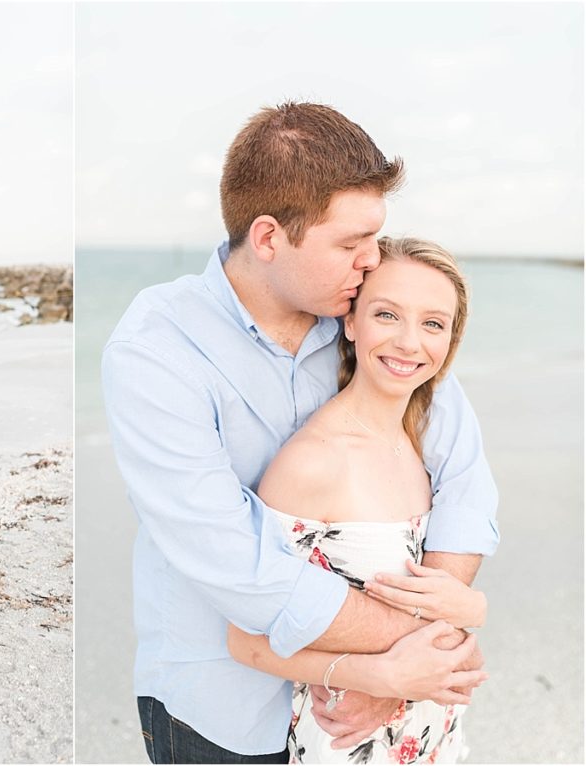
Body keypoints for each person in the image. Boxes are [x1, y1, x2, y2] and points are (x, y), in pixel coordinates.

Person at [101, 102, 499, 764]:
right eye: (350, 243)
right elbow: (239, 563)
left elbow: (462, 482)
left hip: (378, 716)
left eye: (377, 236)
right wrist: (414, 645)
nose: (373, 259)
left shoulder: (368, 314)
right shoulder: (156, 352)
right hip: (223, 711)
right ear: (267, 238)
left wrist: (416, 651)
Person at [228, 237, 486, 763]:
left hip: (433, 730)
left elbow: (432, 602)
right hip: (348, 742)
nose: (410, 342)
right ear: (351, 322)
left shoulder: (417, 447)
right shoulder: (313, 462)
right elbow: (245, 641)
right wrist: (375, 677)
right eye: (387, 315)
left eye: (433, 324)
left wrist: (466, 614)